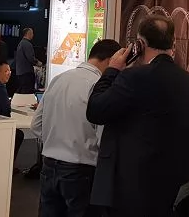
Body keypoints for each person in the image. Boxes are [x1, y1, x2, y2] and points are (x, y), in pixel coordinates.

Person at [87, 15, 189, 217]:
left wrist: (111, 71)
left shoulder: (132, 78)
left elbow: (96, 110)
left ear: (140, 45)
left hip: (133, 192)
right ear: (173, 43)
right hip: (178, 191)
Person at [33, 39, 122, 217]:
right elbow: (102, 136)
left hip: (48, 166)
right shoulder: (99, 87)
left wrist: (56, 141)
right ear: (110, 60)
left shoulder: (58, 79)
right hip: (81, 170)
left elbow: (36, 125)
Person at [15, 28, 42, 94]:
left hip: (20, 72)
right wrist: (39, 63)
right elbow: (31, 58)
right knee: (27, 92)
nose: (33, 35)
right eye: (32, 33)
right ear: (28, 34)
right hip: (26, 73)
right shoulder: (27, 44)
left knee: (22, 90)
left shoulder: (21, 43)